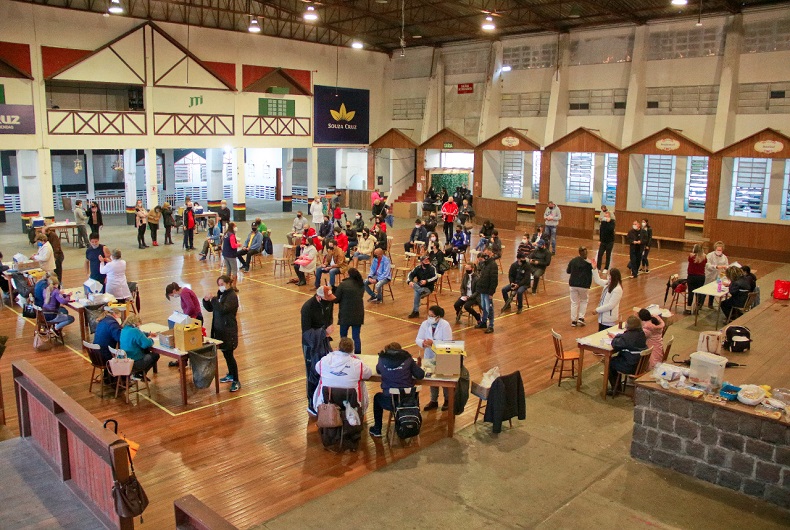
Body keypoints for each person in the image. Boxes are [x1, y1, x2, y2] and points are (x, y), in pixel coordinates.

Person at [369, 342, 425, 438]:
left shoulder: (382, 359)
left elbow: (378, 370)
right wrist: (415, 366)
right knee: (411, 393)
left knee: (377, 398)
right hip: (409, 402)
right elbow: (420, 375)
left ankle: (377, 429)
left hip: (390, 402)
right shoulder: (407, 359)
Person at [312, 337, 371, 412]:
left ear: (338, 348)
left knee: (322, 378)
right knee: (360, 380)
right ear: (352, 349)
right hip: (351, 404)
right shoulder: (357, 364)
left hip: (327, 403)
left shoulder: (325, 360)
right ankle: (360, 410)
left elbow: (317, 369)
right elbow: (368, 374)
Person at [203, 275, 240, 392]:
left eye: (222, 284)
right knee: (225, 354)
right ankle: (230, 374)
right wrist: (206, 301)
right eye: (219, 285)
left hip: (228, 331)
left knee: (229, 355)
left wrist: (213, 299)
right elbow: (212, 308)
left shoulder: (232, 297)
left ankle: (236, 380)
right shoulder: (221, 294)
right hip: (220, 330)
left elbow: (223, 309)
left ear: (228, 283)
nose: (220, 287)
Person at [301, 286, 335, 414]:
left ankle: (323, 399)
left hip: (323, 340)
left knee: (326, 369)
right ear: (319, 297)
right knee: (312, 372)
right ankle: (311, 403)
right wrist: (323, 332)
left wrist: (326, 331)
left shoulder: (329, 303)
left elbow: (329, 319)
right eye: (327, 300)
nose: (329, 302)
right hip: (311, 344)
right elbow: (306, 332)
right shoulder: (307, 308)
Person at [417, 305, 453, 410]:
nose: (430, 318)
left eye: (432, 316)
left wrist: (433, 343)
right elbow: (418, 338)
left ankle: (447, 400)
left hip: (443, 355)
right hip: (429, 354)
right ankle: (434, 400)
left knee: (444, 379)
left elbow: (448, 342)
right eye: (429, 315)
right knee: (431, 378)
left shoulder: (445, 325)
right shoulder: (425, 324)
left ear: (438, 317)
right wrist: (423, 343)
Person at [608, 316, 648, 394]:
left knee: (610, 363)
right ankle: (617, 387)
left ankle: (616, 389)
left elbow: (615, 344)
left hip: (631, 366)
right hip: (640, 364)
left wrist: (615, 338)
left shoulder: (628, 337)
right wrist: (618, 336)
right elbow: (625, 338)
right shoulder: (641, 333)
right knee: (615, 359)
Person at [119, 314, 159, 381]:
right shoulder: (135, 331)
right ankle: (139, 373)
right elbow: (146, 344)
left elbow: (139, 334)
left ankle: (138, 374)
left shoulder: (124, 330)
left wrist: (148, 334)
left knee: (146, 351)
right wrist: (151, 340)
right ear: (135, 323)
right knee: (155, 355)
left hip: (124, 361)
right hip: (134, 362)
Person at [334, 268, 365, 354]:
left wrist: (334, 291)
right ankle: (358, 354)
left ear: (348, 274)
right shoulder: (360, 284)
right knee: (356, 337)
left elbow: (336, 299)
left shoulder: (343, 284)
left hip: (345, 314)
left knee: (343, 337)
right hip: (358, 313)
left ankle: (343, 353)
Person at [567, 246, 593, 327]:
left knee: (574, 302)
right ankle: (581, 318)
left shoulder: (573, 261)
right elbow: (594, 271)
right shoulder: (589, 263)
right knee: (584, 301)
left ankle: (573, 320)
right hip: (584, 285)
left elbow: (568, 271)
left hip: (573, 284)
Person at [407, 254, 438, 319]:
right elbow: (410, 274)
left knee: (416, 292)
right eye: (425, 261)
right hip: (420, 287)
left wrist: (426, 281)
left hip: (428, 288)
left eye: (428, 260)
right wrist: (410, 281)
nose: (427, 262)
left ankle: (415, 311)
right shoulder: (418, 268)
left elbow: (435, 278)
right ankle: (421, 291)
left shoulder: (432, 268)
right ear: (421, 262)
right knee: (414, 285)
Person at [475, 250, 498, 333]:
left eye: (487, 254)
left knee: (489, 308)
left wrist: (491, 292)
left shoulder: (493, 265)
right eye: (484, 254)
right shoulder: (485, 264)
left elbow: (494, 280)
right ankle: (484, 322)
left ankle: (491, 325)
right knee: (484, 307)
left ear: (491, 254)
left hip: (488, 291)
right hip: (482, 289)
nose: (485, 255)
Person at [705, 241, 728, 309]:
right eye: (718, 250)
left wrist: (725, 268)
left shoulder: (724, 257)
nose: (719, 251)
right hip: (709, 275)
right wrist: (716, 267)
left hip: (718, 276)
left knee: (713, 290)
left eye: (720, 250)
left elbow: (726, 265)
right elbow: (707, 265)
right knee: (704, 290)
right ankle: (699, 304)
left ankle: (710, 304)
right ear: (715, 249)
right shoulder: (710, 255)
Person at [686, 243, 707, 315]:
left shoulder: (691, 256)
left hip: (692, 276)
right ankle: (696, 309)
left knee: (690, 293)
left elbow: (690, 259)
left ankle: (688, 309)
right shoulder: (704, 257)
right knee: (698, 294)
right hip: (701, 277)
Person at [221, 222, 240, 291]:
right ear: (233, 227)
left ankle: (227, 285)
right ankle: (234, 286)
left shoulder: (226, 233)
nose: (236, 228)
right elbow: (233, 245)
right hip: (231, 255)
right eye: (235, 226)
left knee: (228, 270)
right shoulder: (231, 235)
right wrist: (239, 244)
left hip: (225, 254)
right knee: (234, 271)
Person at [597, 206, 615, 271]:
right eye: (605, 216)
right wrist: (600, 240)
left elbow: (611, 229)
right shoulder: (603, 222)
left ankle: (606, 268)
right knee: (600, 254)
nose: (605, 217)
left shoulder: (612, 222)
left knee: (608, 255)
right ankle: (598, 267)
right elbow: (601, 231)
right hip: (603, 241)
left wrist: (608, 222)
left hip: (610, 242)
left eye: (607, 216)